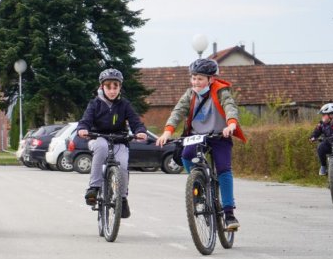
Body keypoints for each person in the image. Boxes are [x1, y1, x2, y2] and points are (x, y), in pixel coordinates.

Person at [156, 58, 246, 231]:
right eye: (194, 78)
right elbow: (178, 111)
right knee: (186, 155)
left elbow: (230, 106)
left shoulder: (221, 91)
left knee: (223, 169)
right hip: (197, 136)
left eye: (200, 79)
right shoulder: (190, 94)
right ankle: (198, 185)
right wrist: (167, 131)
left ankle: (229, 213)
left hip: (220, 135)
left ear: (211, 79)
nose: (196, 82)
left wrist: (231, 124)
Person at [78, 69, 148, 219]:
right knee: (102, 147)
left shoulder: (124, 104)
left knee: (122, 165)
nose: (112, 90)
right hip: (98, 138)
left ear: (120, 87)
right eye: (108, 87)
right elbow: (85, 121)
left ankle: (122, 198)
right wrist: (83, 129)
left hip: (119, 141)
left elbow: (136, 121)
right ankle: (94, 187)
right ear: (102, 87)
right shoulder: (94, 104)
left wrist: (140, 131)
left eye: (115, 87)